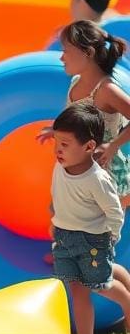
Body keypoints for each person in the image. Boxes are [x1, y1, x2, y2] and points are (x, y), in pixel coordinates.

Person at [50, 104, 130, 334]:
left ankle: (127, 304)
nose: (58, 149)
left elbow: (114, 210)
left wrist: (112, 237)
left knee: (100, 286)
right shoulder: (60, 166)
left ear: (88, 147)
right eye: (56, 142)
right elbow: (61, 196)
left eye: (64, 143)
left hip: (92, 241)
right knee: (78, 291)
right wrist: (56, 219)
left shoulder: (96, 179)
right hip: (65, 237)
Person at [39, 20, 130, 206]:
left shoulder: (106, 90)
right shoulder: (75, 82)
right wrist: (56, 129)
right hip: (78, 167)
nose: (61, 58)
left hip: (105, 173)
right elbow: (75, 118)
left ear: (88, 53)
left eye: (66, 51)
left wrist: (113, 145)